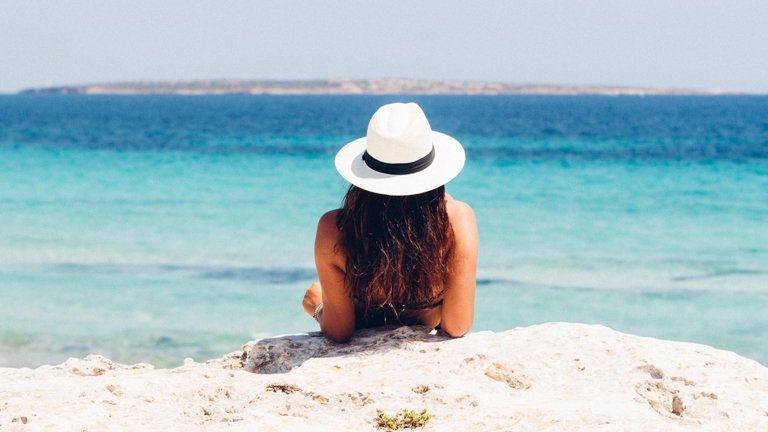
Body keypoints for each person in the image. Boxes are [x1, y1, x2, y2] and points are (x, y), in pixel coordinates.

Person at [302, 102, 478, 342]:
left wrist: (318, 307)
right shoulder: (456, 220)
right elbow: (457, 325)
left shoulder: (335, 228)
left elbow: (339, 331)